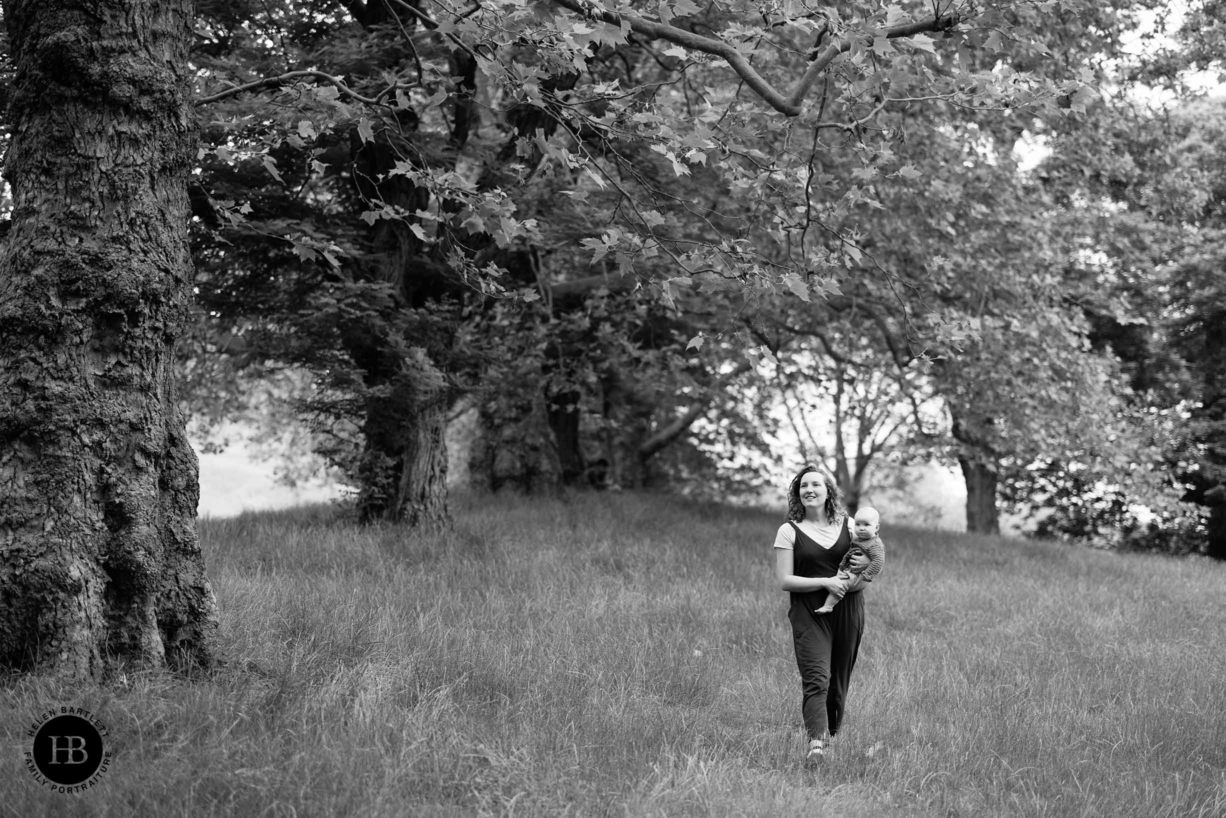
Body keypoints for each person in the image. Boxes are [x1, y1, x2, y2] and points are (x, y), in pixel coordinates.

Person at [773, 465, 877, 763]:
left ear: (828, 491)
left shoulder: (849, 526)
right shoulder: (788, 531)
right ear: (797, 494)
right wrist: (825, 582)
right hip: (809, 614)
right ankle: (816, 745)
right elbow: (784, 581)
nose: (809, 490)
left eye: (816, 484)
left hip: (848, 613)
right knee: (817, 678)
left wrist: (846, 585)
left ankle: (833, 737)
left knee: (838, 683)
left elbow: (869, 567)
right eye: (803, 486)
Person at [814, 506, 885, 615]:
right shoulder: (861, 539)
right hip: (849, 569)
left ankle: (828, 606)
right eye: (857, 524)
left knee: (840, 584)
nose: (861, 528)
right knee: (836, 581)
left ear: (876, 528)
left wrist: (866, 575)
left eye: (866, 525)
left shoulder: (875, 544)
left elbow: (879, 561)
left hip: (858, 574)